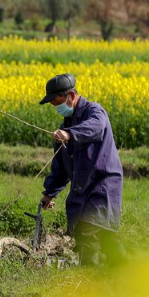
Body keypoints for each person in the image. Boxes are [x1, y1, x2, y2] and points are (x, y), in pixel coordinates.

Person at [39, 73, 125, 266]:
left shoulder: (94, 111)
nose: (55, 106)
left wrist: (70, 134)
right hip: (83, 188)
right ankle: (124, 276)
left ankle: (89, 283)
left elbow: (95, 127)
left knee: (87, 232)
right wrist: (50, 194)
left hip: (102, 185)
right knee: (107, 238)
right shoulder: (65, 126)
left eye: (56, 101)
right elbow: (60, 166)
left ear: (70, 95)